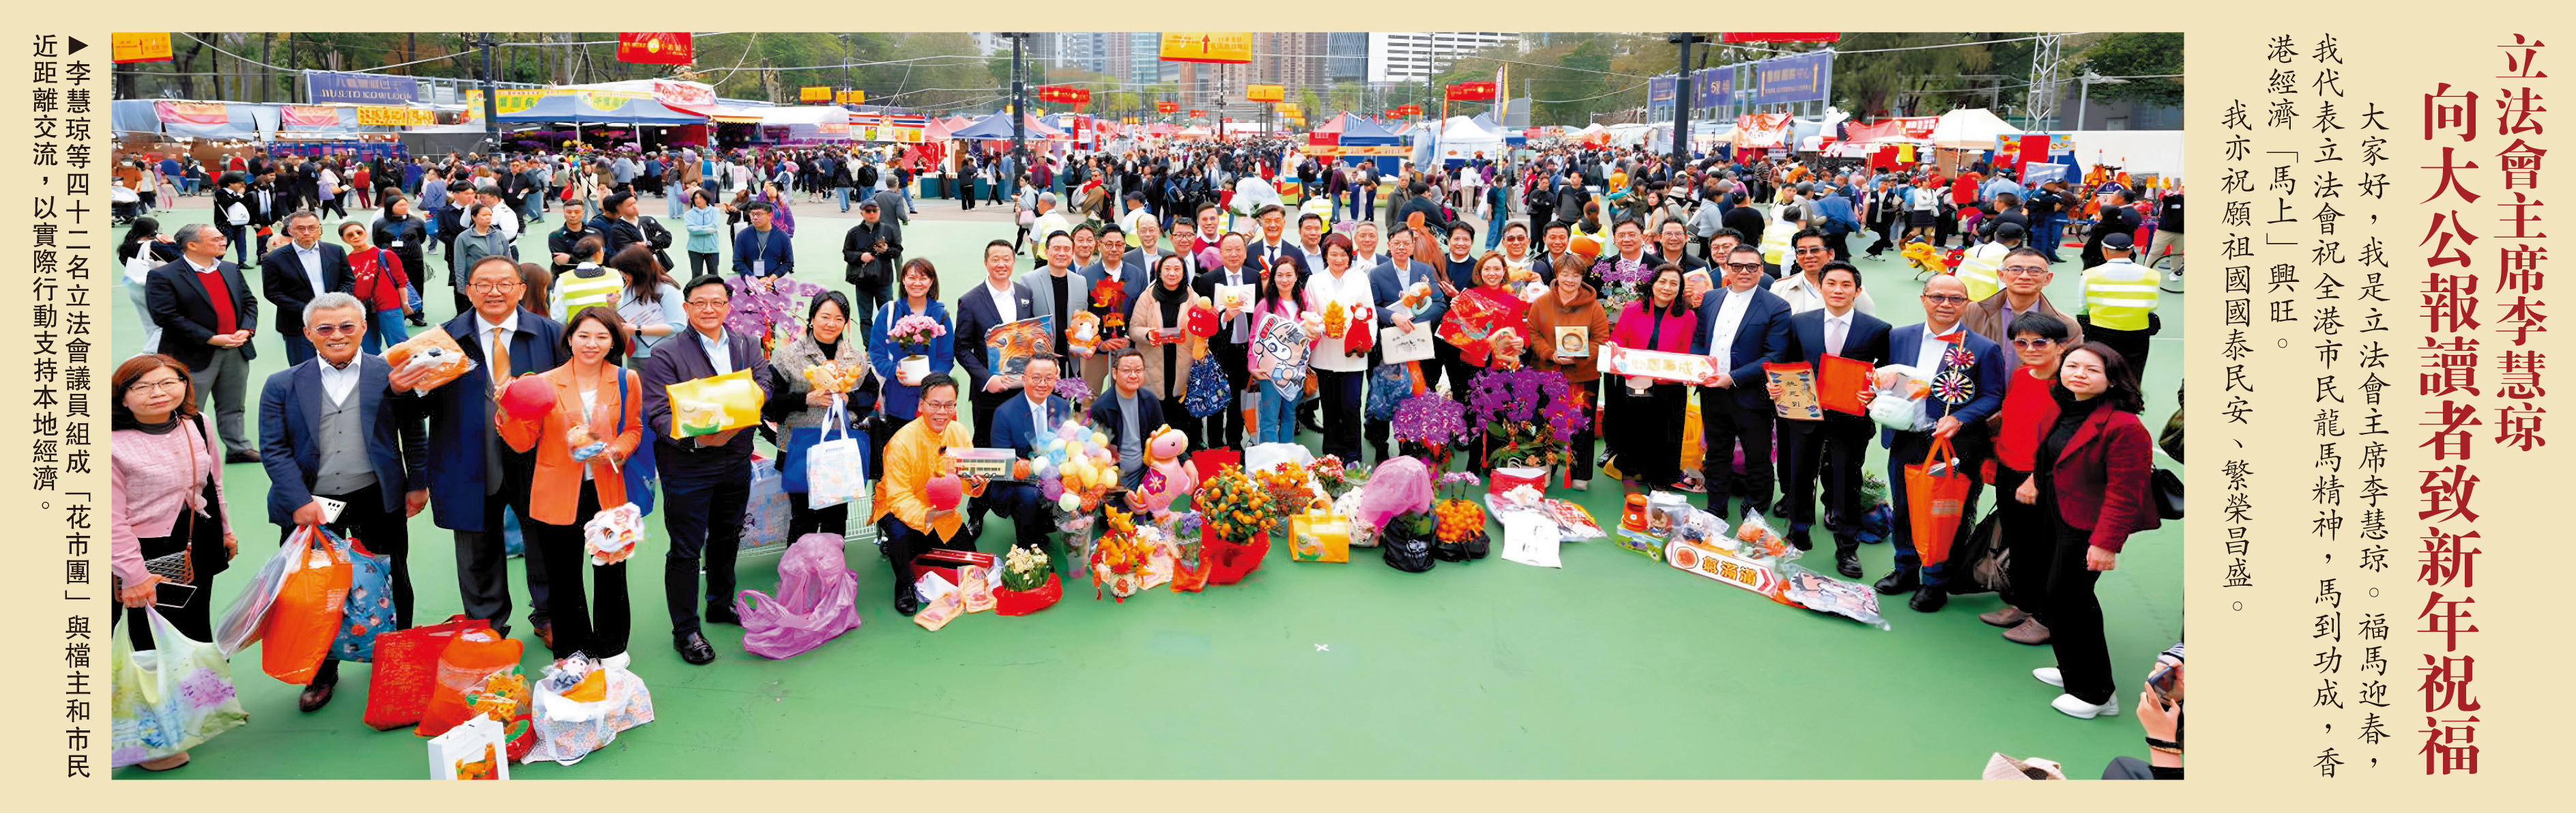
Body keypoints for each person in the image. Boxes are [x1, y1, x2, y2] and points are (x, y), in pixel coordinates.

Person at [259, 292, 428, 711]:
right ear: (308, 334)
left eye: (347, 326)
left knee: (393, 577)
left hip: (376, 496)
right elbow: (274, 449)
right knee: (313, 591)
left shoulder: (390, 374)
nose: (337, 335)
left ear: (364, 328)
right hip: (311, 505)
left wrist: (417, 483)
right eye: (326, 328)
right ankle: (322, 671)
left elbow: (413, 433)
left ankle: (395, 656)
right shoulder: (282, 383)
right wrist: (298, 500)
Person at [396, 255, 564, 646]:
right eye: (483, 284)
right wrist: (404, 390)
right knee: (476, 549)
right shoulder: (441, 341)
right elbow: (419, 408)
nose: (494, 292)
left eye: (505, 284)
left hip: (538, 458)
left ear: (521, 290)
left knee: (546, 541)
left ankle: (550, 616)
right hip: (468, 460)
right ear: (468, 290)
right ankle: (487, 626)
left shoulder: (552, 335)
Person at [111, 354, 242, 771]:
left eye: (169, 382)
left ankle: (196, 710)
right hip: (140, 551)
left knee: (191, 628)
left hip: (194, 540)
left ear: (185, 384)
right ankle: (154, 741)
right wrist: (133, 576)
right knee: (147, 644)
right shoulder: (109, 443)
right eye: (143, 387)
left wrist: (225, 530)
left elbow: (213, 483)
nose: (159, 393)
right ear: (123, 397)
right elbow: (109, 519)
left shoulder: (197, 424)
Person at [497, 306, 641, 667]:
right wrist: (508, 410)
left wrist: (618, 450)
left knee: (611, 570)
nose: (592, 344)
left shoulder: (627, 380)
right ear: (571, 339)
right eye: (584, 335)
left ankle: (611, 646)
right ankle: (574, 650)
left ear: (614, 343)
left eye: (602, 337)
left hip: (607, 492)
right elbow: (522, 443)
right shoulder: (543, 383)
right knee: (563, 576)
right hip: (557, 492)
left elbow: (633, 429)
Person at [639, 274, 772, 665]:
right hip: (688, 466)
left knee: (727, 535)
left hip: (736, 458)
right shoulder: (666, 353)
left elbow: (764, 381)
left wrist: (749, 401)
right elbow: (657, 412)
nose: (709, 309)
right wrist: (697, 438)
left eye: (717, 302)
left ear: (728, 306)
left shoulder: (747, 344)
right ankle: (685, 630)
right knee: (685, 548)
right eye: (700, 303)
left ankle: (719, 602)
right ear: (686, 308)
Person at [2023, 343, 2160, 719]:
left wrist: (2105, 544)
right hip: (2059, 514)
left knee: (2071, 601)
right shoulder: (2069, 407)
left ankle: (2096, 693)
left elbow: (2125, 491)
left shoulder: (2125, 426)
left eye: (2092, 370)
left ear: (2112, 379)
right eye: (2072, 366)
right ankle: (2073, 668)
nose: (2079, 374)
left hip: (2087, 526)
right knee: (2060, 598)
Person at [1868, 273, 2011, 612]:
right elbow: (1881, 377)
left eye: (1955, 299)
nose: (1946, 304)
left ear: (1966, 304)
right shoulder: (1899, 336)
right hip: (1906, 437)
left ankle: (1936, 581)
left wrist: (1960, 418)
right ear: (1924, 299)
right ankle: (1905, 569)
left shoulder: (1982, 348)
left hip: (1954, 445)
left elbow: (1994, 394)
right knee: (1904, 506)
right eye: (1937, 297)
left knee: (1946, 515)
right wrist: (1872, 389)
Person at [1985, 311, 2074, 645]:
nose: (2030, 349)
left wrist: (2036, 479)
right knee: (2019, 542)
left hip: (2041, 478)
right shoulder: (2022, 375)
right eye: (2021, 343)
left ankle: (2045, 619)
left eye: (2040, 343)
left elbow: (2063, 442)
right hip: (2009, 470)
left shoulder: (2067, 387)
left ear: (2061, 346)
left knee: (2044, 549)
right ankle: (2024, 604)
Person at [143, 224, 263, 463]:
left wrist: (246, 330)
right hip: (192, 353)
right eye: (215, 239)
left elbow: (249, 302)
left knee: (233, 404)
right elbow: (166, 316)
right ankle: (192, 455)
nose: (223, 241)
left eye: (222, 238)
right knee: (189, 408)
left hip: (236, 350)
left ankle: (238, 448)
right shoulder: (164, 275)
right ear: (192, 245)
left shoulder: (229, 269)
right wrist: (210, 338)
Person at [768, 291, 880, 542]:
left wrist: (850, 400)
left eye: (839, 319)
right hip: (800, 448)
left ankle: (833, 565)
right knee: (803, 518)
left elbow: (870, 393)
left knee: (836, 518)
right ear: (812, 318)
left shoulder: (854, 357)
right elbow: (769, 403)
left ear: (846, 323)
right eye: (825, 317)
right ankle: (800, 567)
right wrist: (806, 399)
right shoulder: (787, 355)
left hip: (839, 449)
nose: (831, 324)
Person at [1690, 244, 1795, 513]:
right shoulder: (1711, 299)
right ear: (1726, 269)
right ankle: (1716, 508)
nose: (1744, 272)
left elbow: (1774, 355)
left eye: (1751, 267)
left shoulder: (1777, 306)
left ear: (1761, 270)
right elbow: (1700, 339)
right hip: (1712, 392)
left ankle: (1756, 510)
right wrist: (1695, 368)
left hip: (1752, 396)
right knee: (1716, 453)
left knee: (1757, 457)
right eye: (1737, 266)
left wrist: (1733, 378)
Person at [871, 372, 985, 615]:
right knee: (900, 535)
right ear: (921, 405)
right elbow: (898, 498)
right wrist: (928, 516)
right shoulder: (900, 443)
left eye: (949, 405)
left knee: (970, 563)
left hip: (942, 510)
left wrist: (974, 484)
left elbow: (964, 481)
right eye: (935, 404)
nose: (942, 412)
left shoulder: (960, 433)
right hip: (896, 507)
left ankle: (922, 545)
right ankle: (904, 584)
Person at [1604, 265, 1698, 491]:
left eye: (1674, 284)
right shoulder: (1633, 308)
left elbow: (1688, 350)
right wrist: (1614, 346)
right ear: (1653, 284)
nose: (1667, 287)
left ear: (1679, 290)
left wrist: (1690, 373)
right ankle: (1632, 470)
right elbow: (1620, 337)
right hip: (1637, 378)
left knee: (1667, 433)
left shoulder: (1688, 316)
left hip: (1670, 384)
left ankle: (1661, 478)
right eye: (1662, 282)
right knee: (1635, 426)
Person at [1524, 255, 1611, 490]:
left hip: (1583, 376)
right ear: (1557, 275)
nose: (1570, 280)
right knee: (1546, 422)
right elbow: (1533, 332)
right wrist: (1549, 353)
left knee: (1582, 425)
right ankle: (1545, 467)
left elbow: (1601, 339)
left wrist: (1579, 355)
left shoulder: (1595, 307)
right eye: (1565, 274)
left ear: (1582, 278)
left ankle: (1580, 473)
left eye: (1575, 275)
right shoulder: (1542, 302)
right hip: (1547, 372)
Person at [1365, 227, 1449, 460]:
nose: (1401, 247)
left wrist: (1415, 322)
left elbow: (1439, 303)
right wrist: (1393, 317)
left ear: (1413, 246)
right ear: (1389, 245)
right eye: (1396, 243)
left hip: (1418, 344)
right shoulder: (1377, 273)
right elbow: (1372, 307)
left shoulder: (1424, 270)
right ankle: (1381, 446)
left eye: (1406, 243)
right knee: (1384, 396)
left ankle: (1409, 446)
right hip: (1390, 346)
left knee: (1414, 395)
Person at [868, 259, 957, 470]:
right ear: (903, 280)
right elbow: (877, 351)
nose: (917, 283)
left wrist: (932, 380)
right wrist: (894, 371)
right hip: (897, 400)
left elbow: (946, 357)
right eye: (912, 277)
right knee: (897, 459)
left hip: (932, 402)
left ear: (931, 281)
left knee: (930, 462)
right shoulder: (889, 312)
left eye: (923, 278)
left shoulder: (941, 315)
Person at [987, 353, 1074, 552]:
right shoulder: (1004, 413)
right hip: (1016, 483)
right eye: (1036, 378)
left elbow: (1067, 446)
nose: (1042, 384)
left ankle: (1049, 530)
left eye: (1049, 378)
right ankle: (1026, 547)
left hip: (1053, 474)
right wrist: (1035, 472)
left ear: (1056, 379)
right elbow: (1003, 464)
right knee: (1030, 496)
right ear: (1024, 378)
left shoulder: (1062, 406)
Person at [956, 240, 1038, 449]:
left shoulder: (1025, 294)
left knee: (1023, 445)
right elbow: (961, 348)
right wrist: (986, 379)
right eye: (995, 259)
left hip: (1022, 389)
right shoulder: (970, 301)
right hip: (989, 393)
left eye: (1007, 259)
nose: (1001, 264)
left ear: (1013, 262)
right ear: (986, 263)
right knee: (988, 448)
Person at [1306, 234, 1377, 463]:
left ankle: (1353, 454)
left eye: (1344, 254)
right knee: (1329, 407)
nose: (1339, 259)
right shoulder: (1314, 281)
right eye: (1333, 254)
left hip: (1354, 353)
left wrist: (1368, 341)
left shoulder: (1360, 279)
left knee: (1350, 405)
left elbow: (1371, 313)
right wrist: (1320, 327)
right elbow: (1309, 313)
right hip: (1325, 352)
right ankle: (1331, 455)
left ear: (1350, 256)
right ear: (1325, 256)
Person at [1127, 253, 1204, 447]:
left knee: (1182, 409)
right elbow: (1134, 329)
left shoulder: (1193, 297)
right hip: (1155, 362)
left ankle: (1185, 450)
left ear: (1184, 273)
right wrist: (1148, 334)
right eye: (1167, 269)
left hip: (1184, 363)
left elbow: (1202, 330)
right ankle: (1156, 450)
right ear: (1159, 272)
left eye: (1177, 269)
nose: (1172, 273)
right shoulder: (1148, 297)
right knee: (1158, 410)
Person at [259, 212, 353, 365]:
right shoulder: (274, 259)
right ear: (290, 231)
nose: (307, 233)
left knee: (338, 366)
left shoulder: (336, 251)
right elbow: (272, 292)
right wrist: (309, 310)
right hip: (297, 325)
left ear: (319, 229)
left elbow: (348, 281)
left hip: (335, 322)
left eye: (312, 228)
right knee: (303, 369)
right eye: (301, 228)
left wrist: (335, 304)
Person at [1965, 246, 2086, 356]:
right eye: (2015, 270)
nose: (2024, 276)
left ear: (2047, 279)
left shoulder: (2068, 327)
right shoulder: (1972, 312)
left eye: (2035, 271)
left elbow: (2069, 368)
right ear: (2001, 276)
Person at [1247, 256, 1311, 444]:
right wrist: (1253, 365)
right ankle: (1271, 457)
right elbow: (1254, 336)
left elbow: (1311, 336)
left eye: (1289, 275)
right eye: (1280, 275)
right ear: (1273, 278)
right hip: (1269, 370)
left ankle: (1287, 455)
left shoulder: (1305, 302)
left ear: (1296, 277)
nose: (1285, 280)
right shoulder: (1265, 304)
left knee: (1290, 415)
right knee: (1269, 416)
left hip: (1295, 370)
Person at [2076, 232, 2160, 374]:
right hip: (2138, 332)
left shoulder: (2090, 275)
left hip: (2100, 331)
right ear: (2131, 250)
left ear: (2104, 251)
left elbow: (2083, 306)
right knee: (2133, 373)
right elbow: (2151, 305)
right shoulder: (2152, 275)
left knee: (2101, 371)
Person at [1089, 349, 1167, 490]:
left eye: (1138, 370)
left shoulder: (1150, 400)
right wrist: (1119, 490)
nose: (1133, 376)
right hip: (1117, 479)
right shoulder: (1101, 408)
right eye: (1127, 371)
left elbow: (1164, 436)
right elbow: (1097, 458)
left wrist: (1186, 462)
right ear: (1114, 373)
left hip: (1147, 472)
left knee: (1181, 494)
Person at [338, 221, 414, 352]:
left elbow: (401, 282)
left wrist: (405, 304)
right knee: (369, 349)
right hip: (362, 311)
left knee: (399, 346)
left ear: (366, 234)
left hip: (389, 307)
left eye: (359, 232)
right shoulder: (347, 261)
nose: (356, 236)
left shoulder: (386, 254)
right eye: (350, 235)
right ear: (344, 239)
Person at [1770, 229, 1880, 315]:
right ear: (1797, 257)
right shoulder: (1780, 289)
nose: (1808, 256)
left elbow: (1868, 327)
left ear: (1830, 254)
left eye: (1815, 250)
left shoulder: (1852, 292)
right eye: (1802, 251)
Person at [120, 217, 184, 354]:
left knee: (149, 324)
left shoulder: (127, 246)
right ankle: (150, 353)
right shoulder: (155, 246)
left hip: (134, 286)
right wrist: (172, 241)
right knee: (164, 323)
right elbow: (180, 256)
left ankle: (155, 352)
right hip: (153, 287)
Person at [611, 245, 685, 361]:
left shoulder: (667, 290)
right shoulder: (627, 290)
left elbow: (678, 326)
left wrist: (638, 330)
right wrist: (612, 305)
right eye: (623, 274)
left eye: (627, 273)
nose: (625, 277)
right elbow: (621, 320)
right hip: (635, 355)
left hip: (663, 355)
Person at [843, 199, 903, 322]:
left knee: (889, 317)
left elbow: (898, 250)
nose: (872, 213)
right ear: (862, 213)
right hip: (863, 281)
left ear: (879, 212)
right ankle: (868, 337)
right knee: (865, 318)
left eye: (875, 211)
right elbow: (847, 254)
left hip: (884, 280)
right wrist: (861, 257)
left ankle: (888, 336)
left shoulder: (889, 230)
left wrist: (886, 250)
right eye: (868, 211)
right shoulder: (853, 233)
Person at [450, 204, 514, 314]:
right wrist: (462, 289)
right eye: (484, 215)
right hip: (476, 285)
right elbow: (459, 265)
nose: (488, 218)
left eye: (490, 215)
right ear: (474, 217)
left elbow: (508, 260)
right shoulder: (464, 238)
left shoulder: (499, 235)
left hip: (497, 284)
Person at [548, 236, 624, 324]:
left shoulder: (564, 280)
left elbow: (558, 318)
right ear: (598, 253)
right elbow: (621, 308)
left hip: (577, 329)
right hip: (608, 328)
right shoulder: (615, 275)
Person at [2081, 188, 2141, 270]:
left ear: (2121, 199)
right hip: (2123, 255)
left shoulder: (2117, 214)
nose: (2109, 196)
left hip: (2106, 257)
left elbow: (2101, 232)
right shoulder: (2132, 212)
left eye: (2112, 194)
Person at [730, 201, 792, 278]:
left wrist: (774, 277)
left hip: (774, 280)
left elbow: (789, 262)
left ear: (770, 215)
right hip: (749, 280)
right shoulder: (743, 235)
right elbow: (738, 260)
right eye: (752, 214)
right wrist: (751, 278)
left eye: (759, 214)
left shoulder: (782, 236)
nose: (755, 218)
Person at [547, 199, 608, 276]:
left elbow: (600, 259)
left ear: (583, 213)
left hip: (593, 275)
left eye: (577, 212)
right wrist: (590, 258)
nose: (573, 215)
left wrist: (570, 258)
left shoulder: (596, 233)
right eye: (569, 212)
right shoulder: (555, 236)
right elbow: (561, 262)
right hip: (567, 276)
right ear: (564, 213)